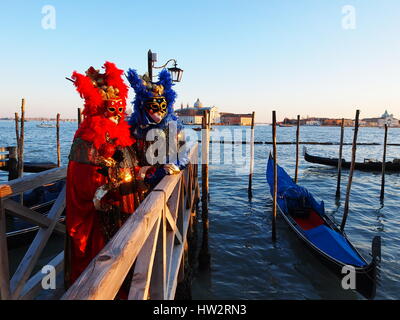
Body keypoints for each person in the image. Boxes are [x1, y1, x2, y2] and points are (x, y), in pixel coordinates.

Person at [65, 61, 145, 289]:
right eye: (112, 109)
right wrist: (106, 192)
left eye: (121, 109)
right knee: (102, 269)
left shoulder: (121, 134)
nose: (118, 114)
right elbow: (83, 182)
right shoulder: (87, 137)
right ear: (98, 107)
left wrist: (143, 174)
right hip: (103, 215)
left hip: (125, 206)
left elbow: (129, 165)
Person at [126, 68, 189, 188]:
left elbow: (183, 155)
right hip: (139, 181)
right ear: (143, 107)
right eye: (153, 107)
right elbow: (129, 156)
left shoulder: (174, 127)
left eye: (162, 107)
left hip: (166, 182)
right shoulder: (135, 128)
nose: (159, 112)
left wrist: (174, 166)